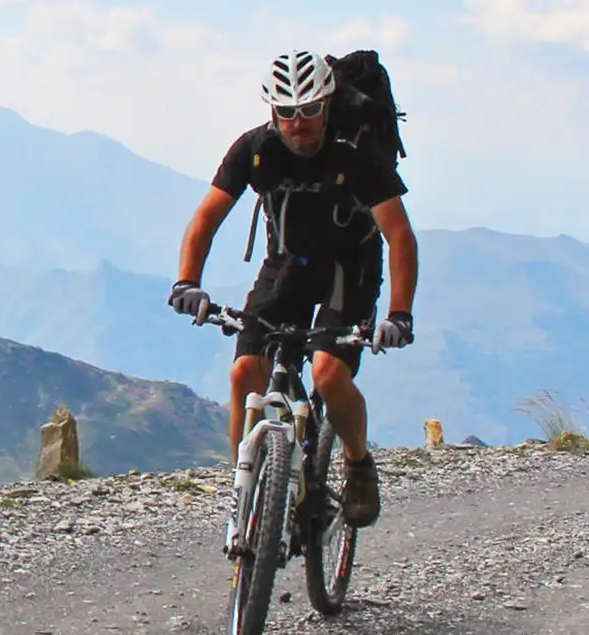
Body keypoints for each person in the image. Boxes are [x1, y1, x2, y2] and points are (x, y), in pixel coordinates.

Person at [167, 50, 419, 528]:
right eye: (287, 112)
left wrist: (399, 314)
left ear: (327, 105)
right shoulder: (255, 149)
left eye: (309, 110)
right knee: (245, 373)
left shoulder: (356, 154)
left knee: (327, 372)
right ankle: (245, 488)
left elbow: (400, 236)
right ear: (272, 110)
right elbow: (206, 218)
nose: (297, 123)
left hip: (349, 269)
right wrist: (188, 282)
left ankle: (359, 464)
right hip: (287, 267)